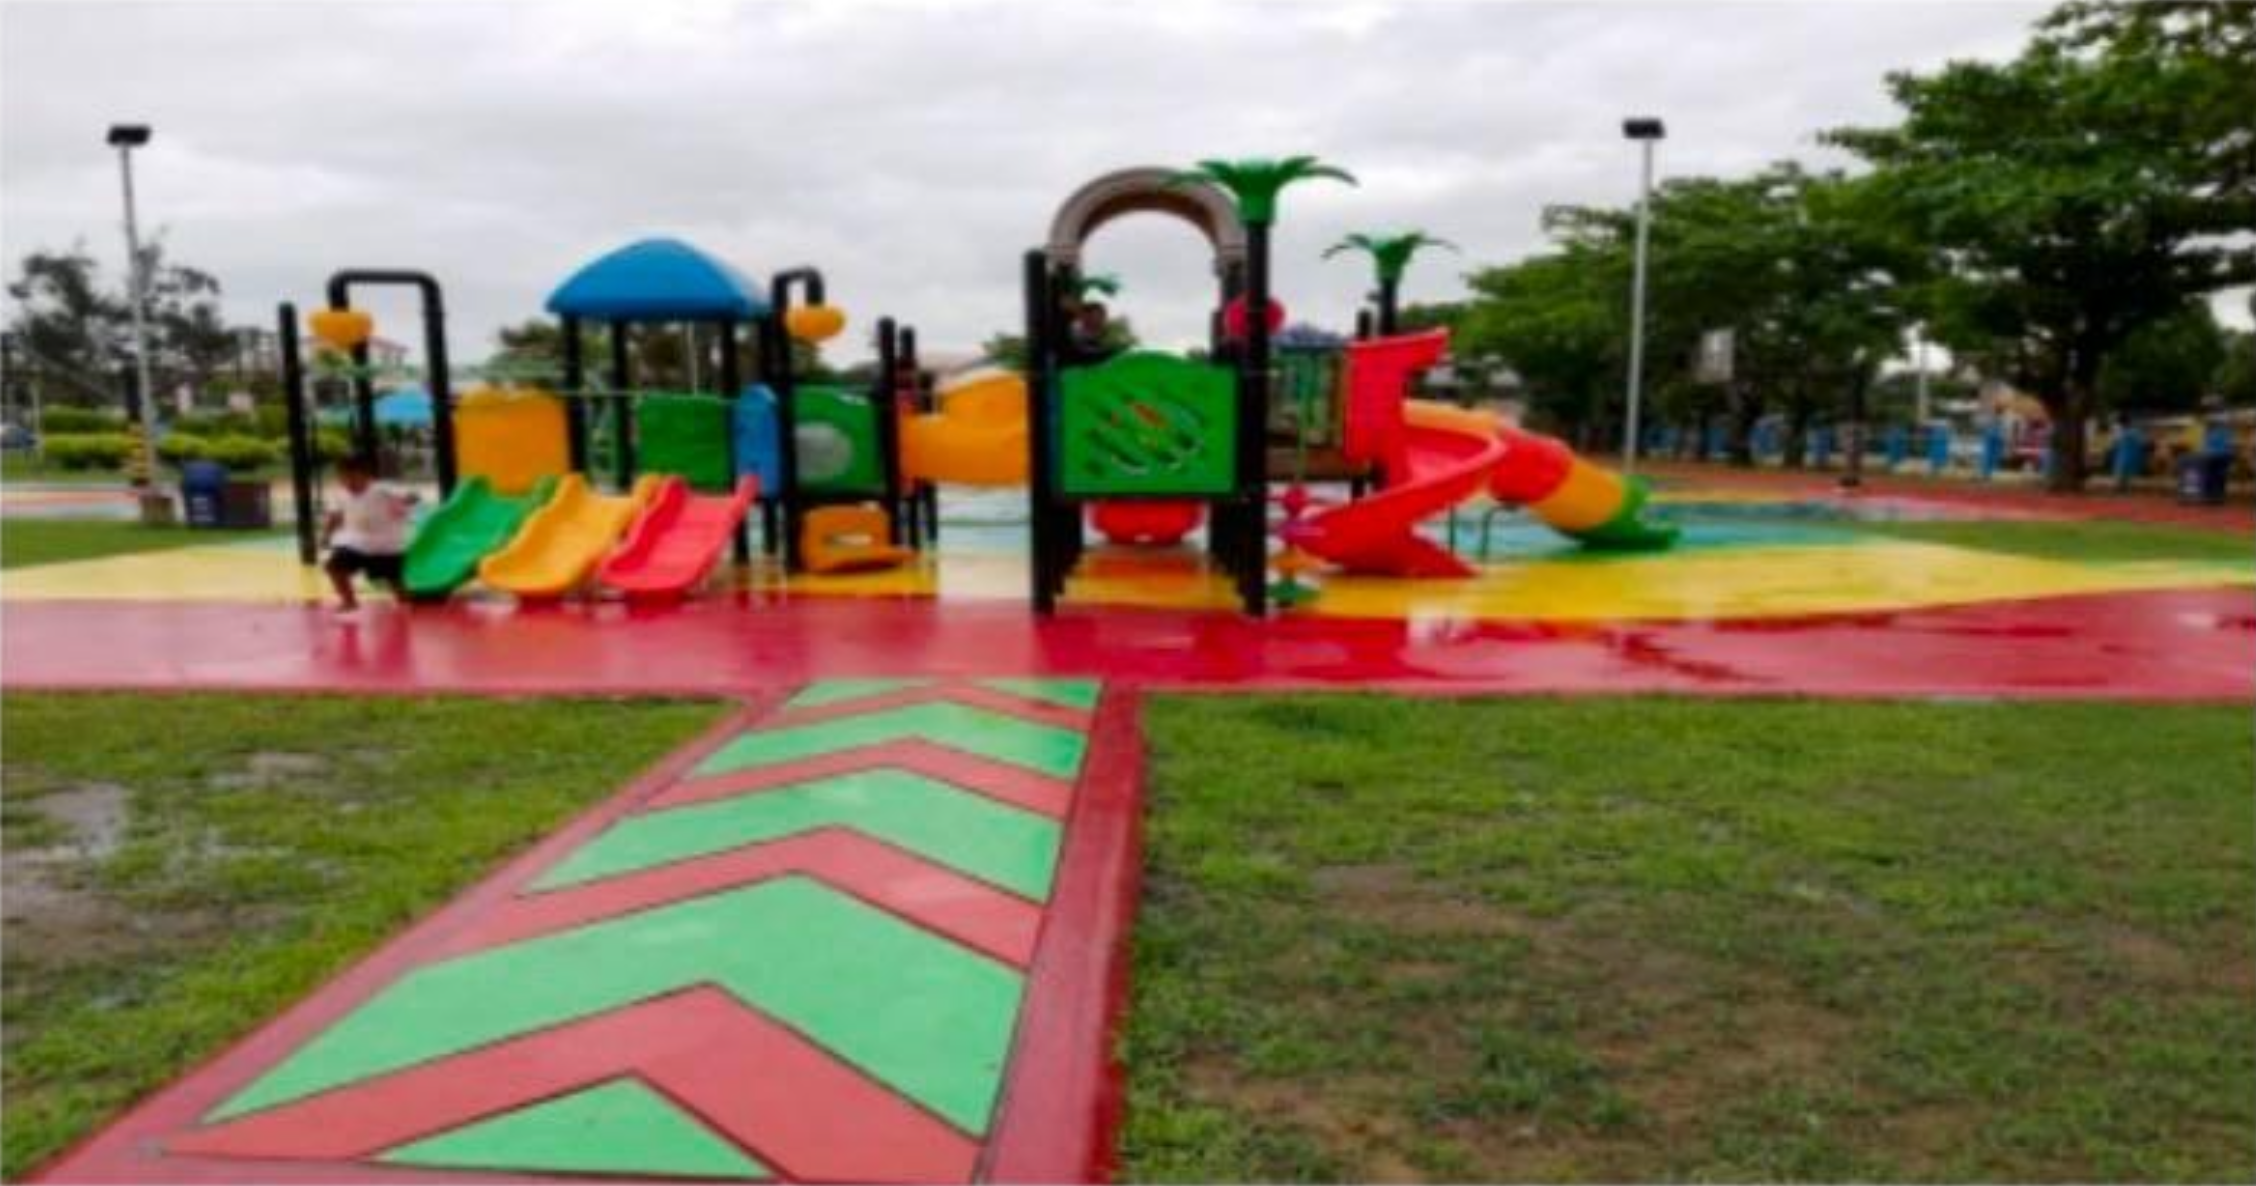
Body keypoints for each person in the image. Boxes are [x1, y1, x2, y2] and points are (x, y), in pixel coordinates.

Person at [322, 454, 416, 613]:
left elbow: (412, 496)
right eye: (344, 478)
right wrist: (325, 535)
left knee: (399, 588)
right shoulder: (340, 494)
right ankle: (349, 601)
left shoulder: (383, 489)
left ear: (366, 476)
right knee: (333, 566)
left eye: (353, 478)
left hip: (388, 546)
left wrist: (406, 500)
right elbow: (335, 517)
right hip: (357, 544)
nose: (349, 483)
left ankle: (410, 604)